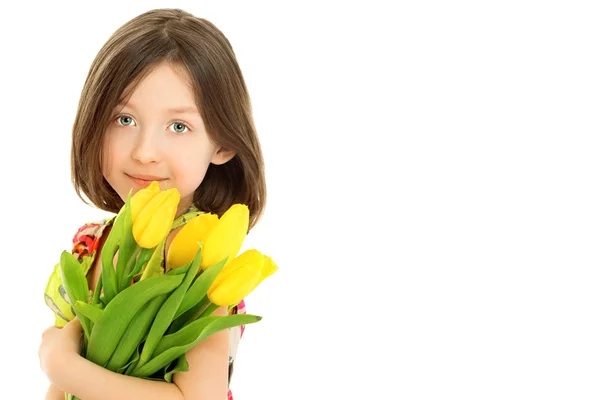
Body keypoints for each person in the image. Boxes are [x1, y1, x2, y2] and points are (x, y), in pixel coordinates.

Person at [38, 8, 266, 400]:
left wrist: (63, 367)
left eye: (179, 127)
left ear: (224, 143)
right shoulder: (89, 245)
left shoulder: (198, 262)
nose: (144, 152)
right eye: (124, 120)